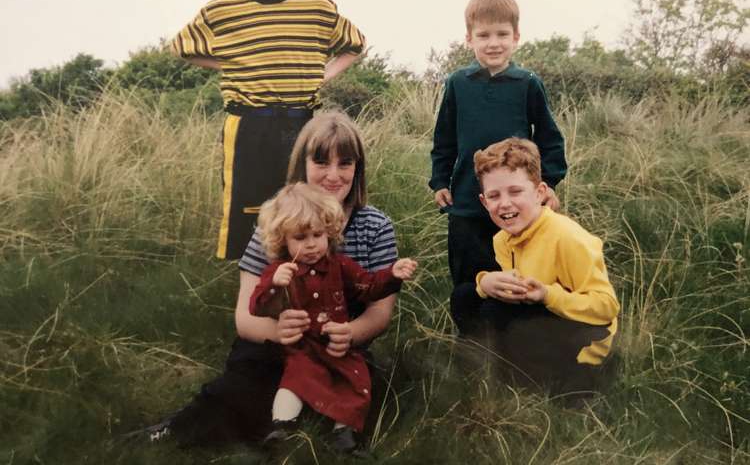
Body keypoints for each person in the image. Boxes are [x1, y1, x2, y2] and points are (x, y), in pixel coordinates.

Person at [143, 111, 401, 447]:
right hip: (277, 346)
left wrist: (350, 333)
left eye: (345, 163)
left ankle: (308, 425)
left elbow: (379, 315)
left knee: (366, 392)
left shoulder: (376, 227)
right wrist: (278, 331)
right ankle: (173, 432)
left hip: (340, 349)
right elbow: (245, 318)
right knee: (242, 389)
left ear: (358, 168)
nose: (333, 175)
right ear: (301, 165)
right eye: (321, 162)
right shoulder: (275, 219)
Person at [171, 0, 365, 260]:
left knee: (309, 211)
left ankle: (313, 290)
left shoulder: (316, 6)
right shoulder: (222, 9)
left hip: (302, 124)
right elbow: (182, 47)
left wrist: (325, 73)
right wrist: (235, 64)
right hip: (248, 125)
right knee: (253, 213)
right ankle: (256, 295)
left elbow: (355, 45)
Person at [428, 0, 567, 325]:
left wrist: (544, 185)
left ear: (516, 37)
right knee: (468, 279)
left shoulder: (528, 83)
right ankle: (471, 348)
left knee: (516, 278)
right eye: (484, 35)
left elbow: (551, 142)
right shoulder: (457, 83)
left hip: (517, 205)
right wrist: (439, 181)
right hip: (466, 203)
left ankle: (514, 348)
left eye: (502, 34)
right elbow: (444, 139)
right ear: (469, 38)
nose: (493, 43)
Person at [248, 183, 416, 451]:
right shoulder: (280, 270)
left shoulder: (340, 265)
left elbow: (367, 285)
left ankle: (345, 434)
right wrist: (275, 286)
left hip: (336, 345)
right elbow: (258, 307)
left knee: (355, 381)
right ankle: (282, 426)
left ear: (329, 233)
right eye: (300, 238)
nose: (312, 244)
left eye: (318, 234)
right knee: (297, 377)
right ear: (284, 240)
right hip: (302, 346)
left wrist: (392, 274)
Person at [452, 138, 619, 394]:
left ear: (540, 192)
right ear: (484, 203)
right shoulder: (502, 239)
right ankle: (494, 378)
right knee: (466, 297)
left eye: (516, 192)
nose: (505, 203)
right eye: (494, 196)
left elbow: (606, 307)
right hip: (540, 318)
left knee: (504, 319)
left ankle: (571, 386)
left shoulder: (567, 238)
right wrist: (485, 283)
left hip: (586, 342)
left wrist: (547, 294)